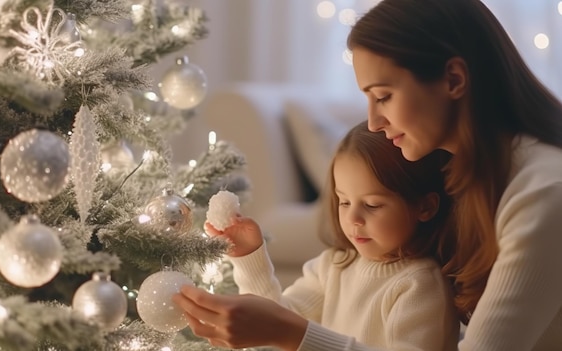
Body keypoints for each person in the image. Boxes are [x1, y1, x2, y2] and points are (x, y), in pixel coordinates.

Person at [175, 0, 562, 349]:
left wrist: (294, 334)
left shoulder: (544, 191)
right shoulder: (476, 179)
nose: (374, 122)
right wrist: (254, 272)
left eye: (383, 96)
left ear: (454, 80)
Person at [174, 122, 459, 350]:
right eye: (344, 201)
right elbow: (276, 323)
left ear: (425, 206)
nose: (353, 218)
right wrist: (250, 258)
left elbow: (290, 332)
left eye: (372, 205)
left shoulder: (420, 285)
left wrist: (297, 336)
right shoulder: (334, 266)